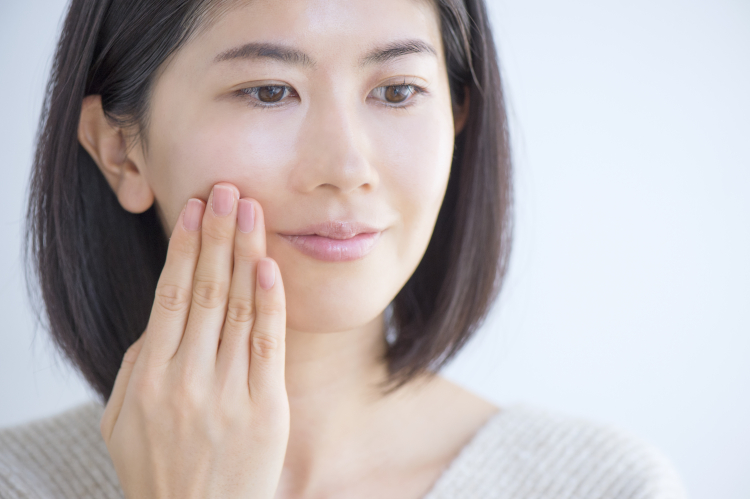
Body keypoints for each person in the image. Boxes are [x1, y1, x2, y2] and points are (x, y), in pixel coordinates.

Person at [0, 0, 687, 497]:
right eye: (269, 91)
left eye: (396, 91)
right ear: (122, 150)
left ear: (455, 117)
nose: (346, 163)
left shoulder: (604, 485)